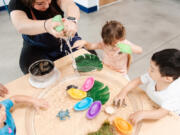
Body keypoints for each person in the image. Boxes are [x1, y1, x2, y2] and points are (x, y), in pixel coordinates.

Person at [8, 0, 86, 74]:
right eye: (40, 3)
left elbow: (70, 5)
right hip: (36, 46)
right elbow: (21, 25)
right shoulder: (17, 2)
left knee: (87, 58)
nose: (47, 5)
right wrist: (46, 25)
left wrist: (72, 20)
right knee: (34, 70)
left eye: (49, 0)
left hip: (63, 38)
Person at [113, 49, 180, 125]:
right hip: (153, 103)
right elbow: (137, 81)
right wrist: (123, 92)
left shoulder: (173, 93)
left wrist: (143, 114)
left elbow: (161, 113)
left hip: (171, 114)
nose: (148, 71)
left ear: (167, 78)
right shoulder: (155, 76)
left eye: (152, 70)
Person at [73, 20, 142, 80]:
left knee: (125, 87)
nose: (112, 45)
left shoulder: (124, 43)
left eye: (115, 42)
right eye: (110, 43)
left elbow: (140, 50)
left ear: (121, 38)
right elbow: (91, 46)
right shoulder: (104, 43)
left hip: (121, 73)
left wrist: (128, 48)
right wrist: (85, 42)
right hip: (106, 69)